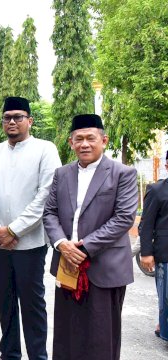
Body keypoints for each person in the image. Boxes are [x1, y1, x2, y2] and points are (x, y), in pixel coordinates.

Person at [43, 114, 137, 360]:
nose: (85, 144)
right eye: (79, 139)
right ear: (71, 142)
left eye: (91, 138)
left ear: (104, 140)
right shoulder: (61, 174)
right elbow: (50, 213)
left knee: (101, 338)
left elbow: (123, 218)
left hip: (105, 268)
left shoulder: (122, 173)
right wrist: (62, 244)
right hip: (67, 266)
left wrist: (83, 249)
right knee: (66, 334)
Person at [0, 96, 61, 360]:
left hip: (30, 244)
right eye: (7, 117)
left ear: (30, 120)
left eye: (18, 117)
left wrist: (14, 230)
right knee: (4, 303)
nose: (12, 122)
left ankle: (38, 356)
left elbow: (47, 194)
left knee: (32, 304)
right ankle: (10, 355)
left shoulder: (45, 149)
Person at [139, 150, 168, 340]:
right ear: (166, 165)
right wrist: (146, 253)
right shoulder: (157, 190)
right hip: (165, 254)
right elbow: (146, 224)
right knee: (166, 297)